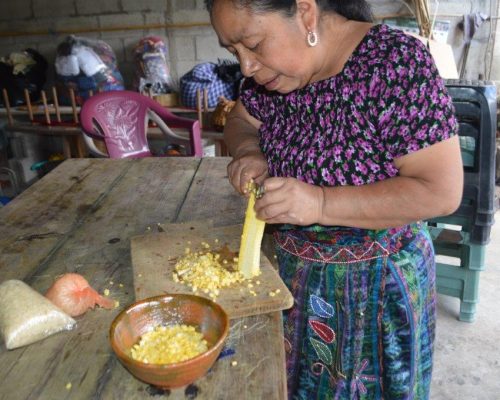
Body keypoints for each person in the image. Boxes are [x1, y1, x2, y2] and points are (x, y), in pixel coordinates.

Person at [205, 1, 464, 399]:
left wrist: (321, 204)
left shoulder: (393, 65)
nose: (246, 67)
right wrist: (248, 152)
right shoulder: (272, 80)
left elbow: (441, 190)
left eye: (253, 43)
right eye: (233, 51)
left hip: (372, 297)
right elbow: (239, 120)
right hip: (290, 282)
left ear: (305, 12)